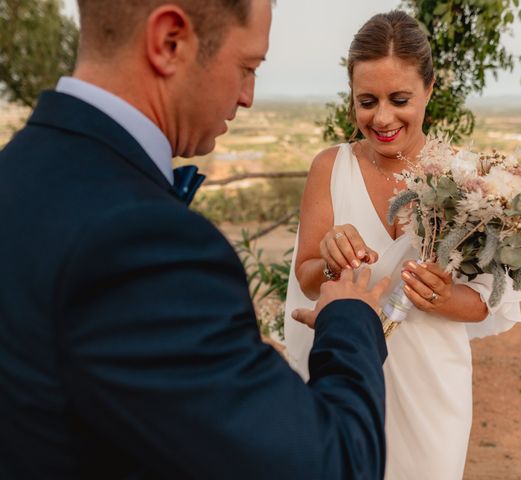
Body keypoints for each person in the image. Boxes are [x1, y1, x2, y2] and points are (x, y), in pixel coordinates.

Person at [0, 1, 392, 478]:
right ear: (170, 41)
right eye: (247, 67)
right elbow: (336, 464)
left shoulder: (15, 172)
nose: (248, 96)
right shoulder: (139, 243)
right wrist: (349, 314)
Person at [284, 10, 521, 480]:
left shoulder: (470, 178)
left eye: (400, 99)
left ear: (429, 90)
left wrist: (442, 295)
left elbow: (487, 302)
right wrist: (330, 260)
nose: (383, 117)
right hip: (344, 371)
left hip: (432, 382)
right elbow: (307, 278)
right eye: (367, 101)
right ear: (351, 98)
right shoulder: (329, 168)